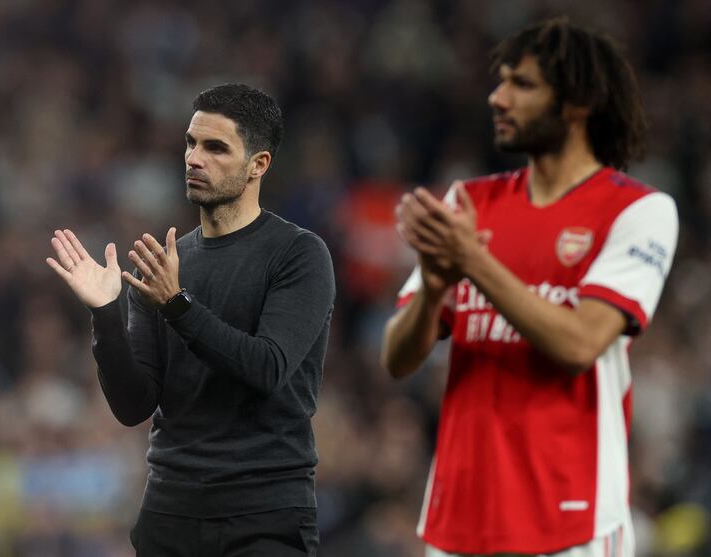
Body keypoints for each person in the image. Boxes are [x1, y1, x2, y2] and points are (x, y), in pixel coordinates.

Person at [381, 17, 678, 557]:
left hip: (571, 522)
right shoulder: (469, 204)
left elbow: (579, 344)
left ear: (578, 101)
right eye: (500, 81)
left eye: (522, 84)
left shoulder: (638, 210)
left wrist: (472, 259)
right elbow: (397, 359)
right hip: (458, 521)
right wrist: (431, 286)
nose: (497, 97)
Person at [46, 83, 334, 556]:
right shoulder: (163, 266)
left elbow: (267, 368)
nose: (194, 158)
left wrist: (178, 306)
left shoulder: (297, 254)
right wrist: (105, 314)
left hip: (262, 516)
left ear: (257, 164)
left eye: (216, 147)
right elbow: (133, 405)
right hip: (169, 511)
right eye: (190, 143)